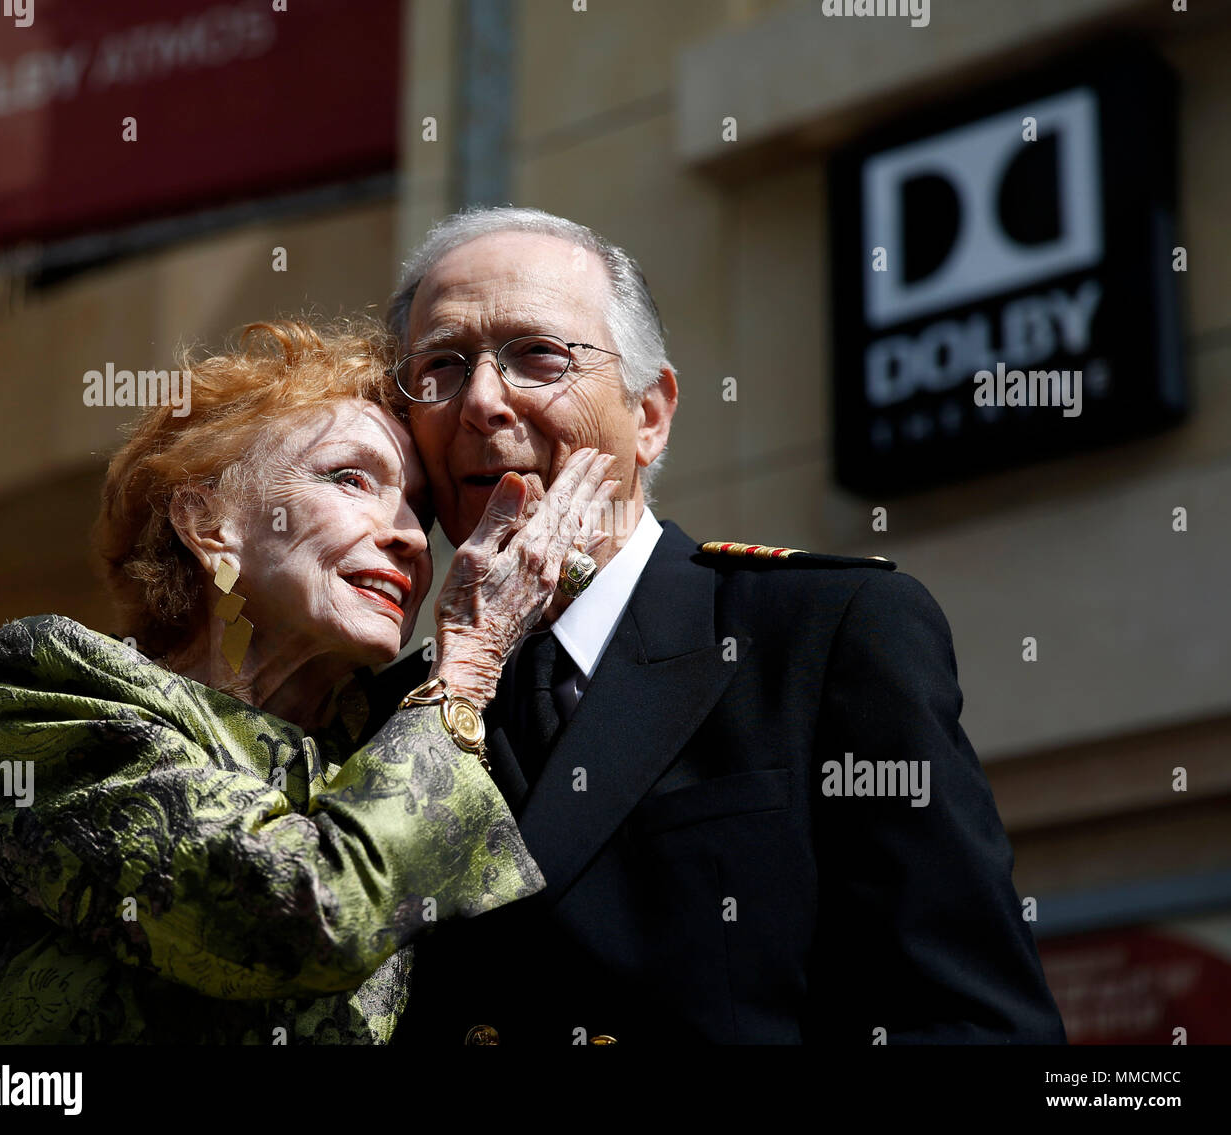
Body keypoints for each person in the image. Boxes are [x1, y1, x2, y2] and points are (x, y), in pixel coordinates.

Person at [371, 206, 1067, 1045]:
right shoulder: (396, 713)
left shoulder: (821, 633)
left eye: (537, 356)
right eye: (441, 366)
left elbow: (975, 1024)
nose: (482, 400)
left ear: (651, 414)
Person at [0, 317, 618, 1043]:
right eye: (350, 478)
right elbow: (298, 912)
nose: (411, 536)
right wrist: (471, 660)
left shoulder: (384, 741)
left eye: (420, 509)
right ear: (207, 521)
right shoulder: (53, 684)